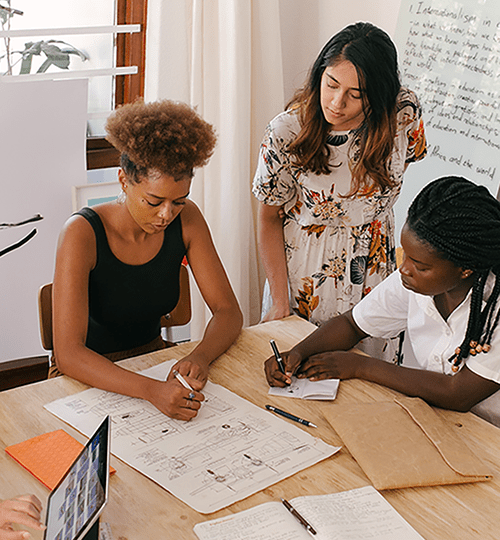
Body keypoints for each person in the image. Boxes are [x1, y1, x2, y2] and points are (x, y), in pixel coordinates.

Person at [52, 99, 243, 421]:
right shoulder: (82, 233)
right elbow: (69, 355)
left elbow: (228, 311)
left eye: (178, 202)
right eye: (154, 201)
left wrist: (200, 356)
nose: (166, 215)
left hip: (153, 362)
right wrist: (151, 390)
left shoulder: (188, 220)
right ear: (124, 181)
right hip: (87, 376)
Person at [253, 22, 427, 357]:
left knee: (370, 388)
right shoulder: (287, 132)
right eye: (330, 84)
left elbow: (404, 164)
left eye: (355, 94)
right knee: (299, 379)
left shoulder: (403, 114)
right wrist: (279, 301)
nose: (336, 102)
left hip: (375, 273)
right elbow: (269, 218)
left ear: (377, 93)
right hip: (307, 277)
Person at [265, 176, 500, 412]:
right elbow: (352, 324)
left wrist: (361, 366)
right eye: (406, 254)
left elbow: (457, 394)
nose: (404, 268)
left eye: (421, 266)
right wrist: (298, 353)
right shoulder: (413, 282)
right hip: (437, 416)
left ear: (465, 269)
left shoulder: (495, 310)